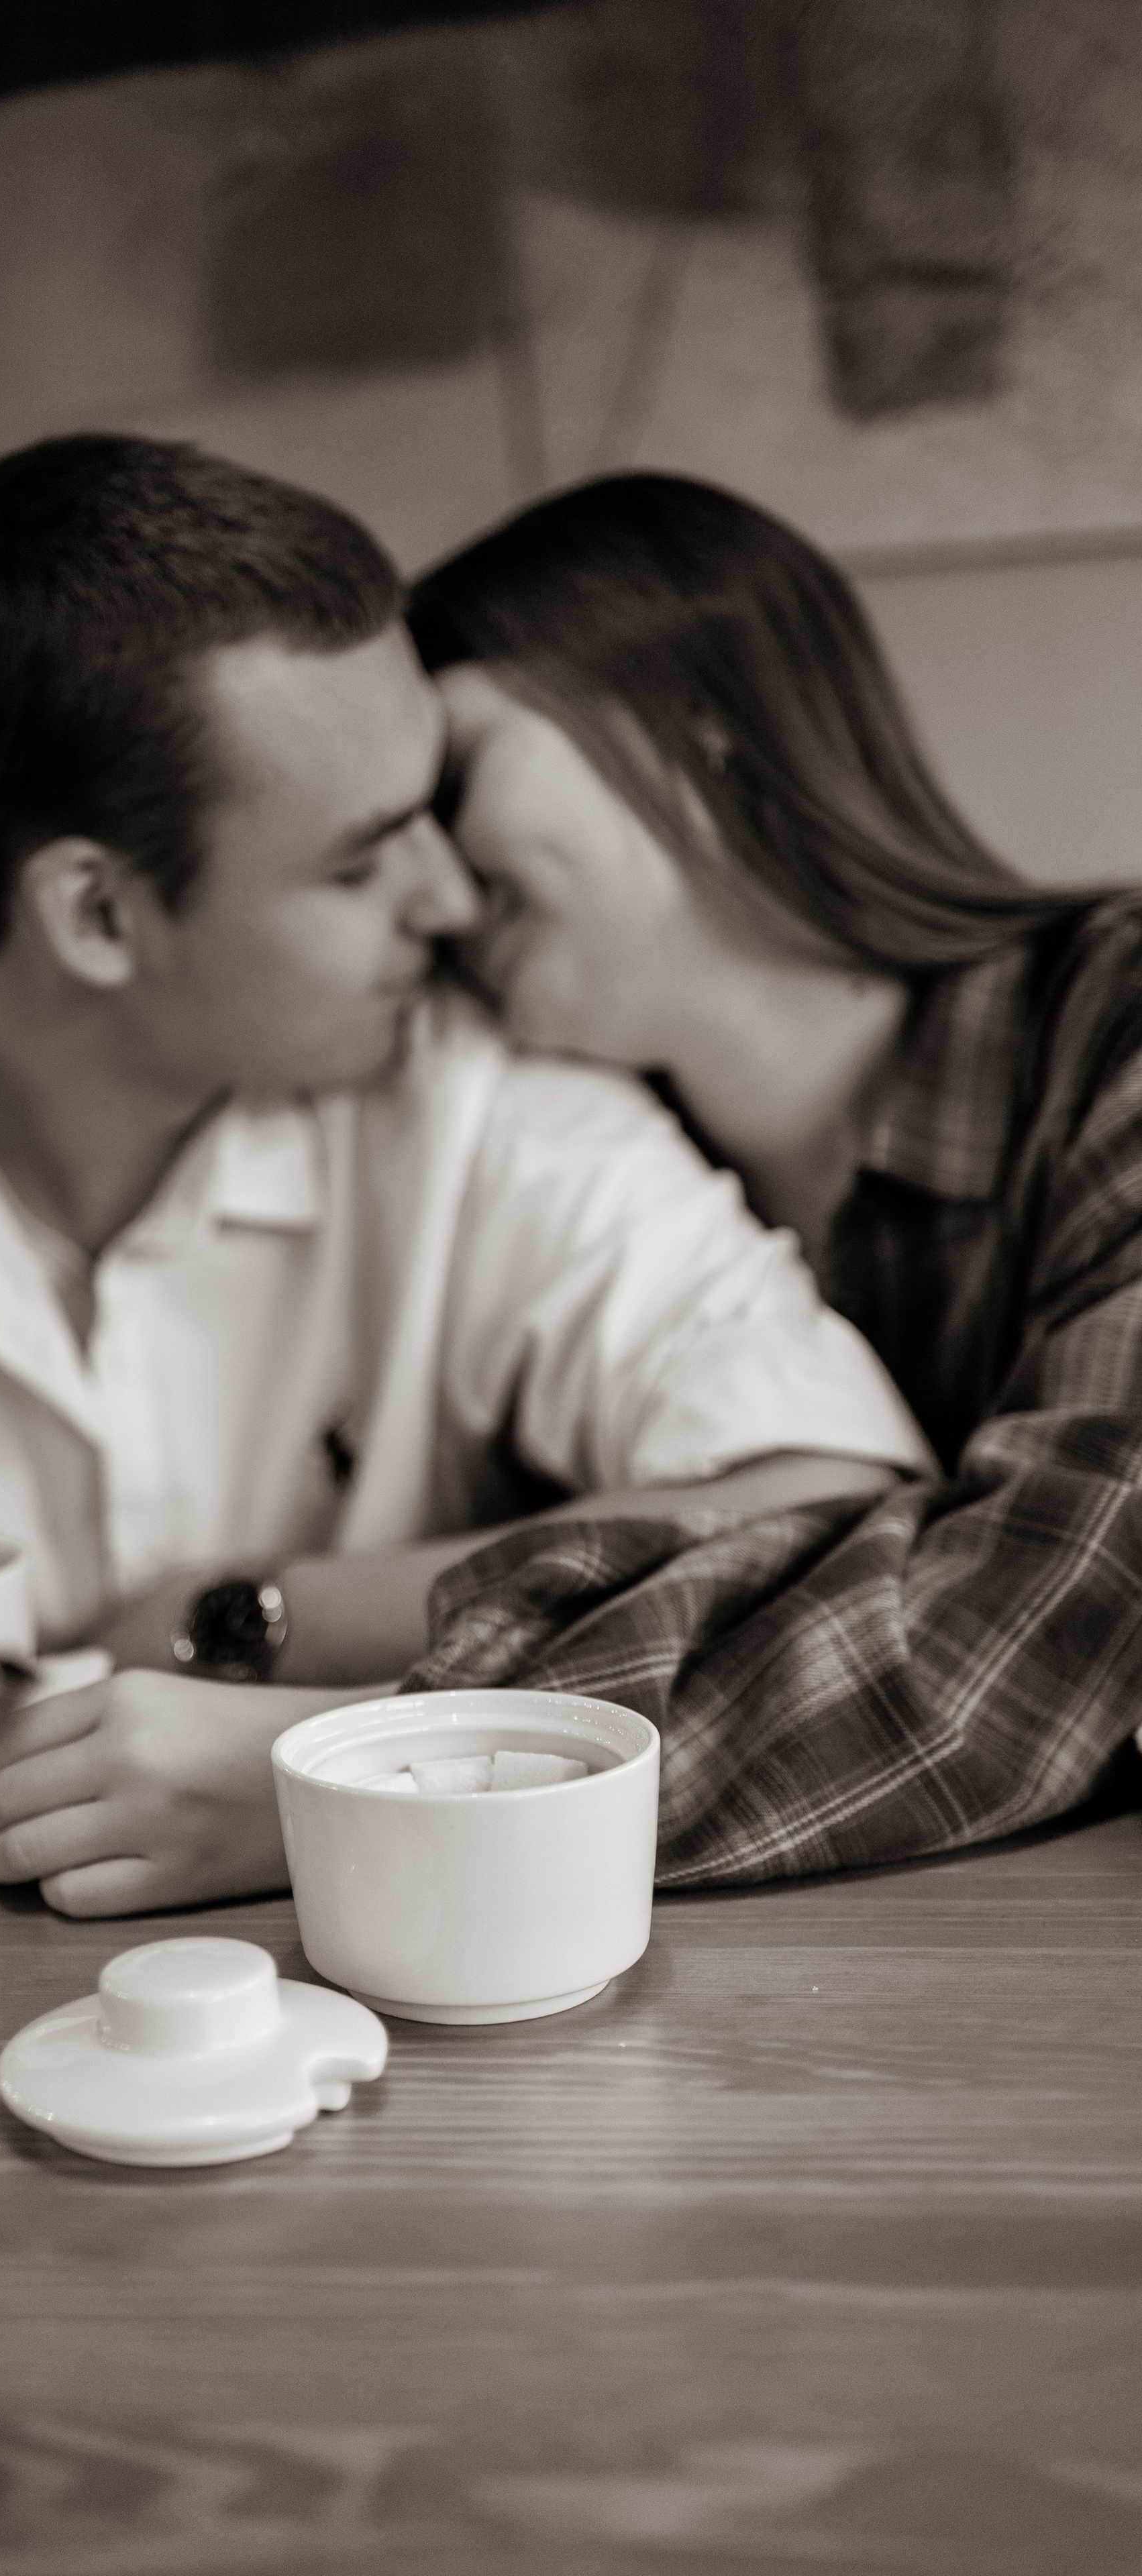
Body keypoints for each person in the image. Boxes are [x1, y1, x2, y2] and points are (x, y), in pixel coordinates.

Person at [0, 437, 924, 1914]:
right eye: (359, 860)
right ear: (95, 914)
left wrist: (261, 1635)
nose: (449, 897)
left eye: (432, 808)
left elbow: (837, 1495)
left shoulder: (465, 1080)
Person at [398, 468, 1142, 1886]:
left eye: (453, 781)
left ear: (698, 734)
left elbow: (1025, 1648)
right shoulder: (572, 1171)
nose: (425, 889)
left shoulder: (1117, 1034)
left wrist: (395, 1764)